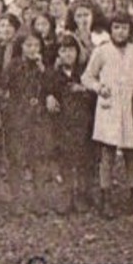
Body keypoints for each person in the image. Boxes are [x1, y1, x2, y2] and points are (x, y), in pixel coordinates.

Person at [83, 12, 133, 217]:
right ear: (110, 30)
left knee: (132, 153)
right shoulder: (102, 52)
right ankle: (105, 197)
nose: (120, 32)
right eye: (116, 27)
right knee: (107, 153)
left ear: (130, 31)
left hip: (130, 108)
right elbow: (87, 76)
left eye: (124, 28)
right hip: (109, 107)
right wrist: (98, 87)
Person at [2, 29, 53, 213]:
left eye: (36, 45)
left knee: (39, 157)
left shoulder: (43, 67)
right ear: (21, 47)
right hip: (18, 117)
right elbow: (4, 88)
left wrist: (42, 70)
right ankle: (17, 199)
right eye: (28, 45)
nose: (33, 49)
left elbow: (50, 87)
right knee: (17, 158)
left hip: (38, 117)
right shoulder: (13, 66)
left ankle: (39, 199)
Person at [46, 33, 97, 215]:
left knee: (83, 159)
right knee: (64, 159)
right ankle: (66, 195)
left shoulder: (85, 72)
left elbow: (94, 94)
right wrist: (49, 96)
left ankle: (82, 194)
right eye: (63, 51)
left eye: (71, 50)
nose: (67, 54)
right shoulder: (53, 74)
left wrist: (83, 90)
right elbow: (47, 90)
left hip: (84, 123)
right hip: (62, 124)